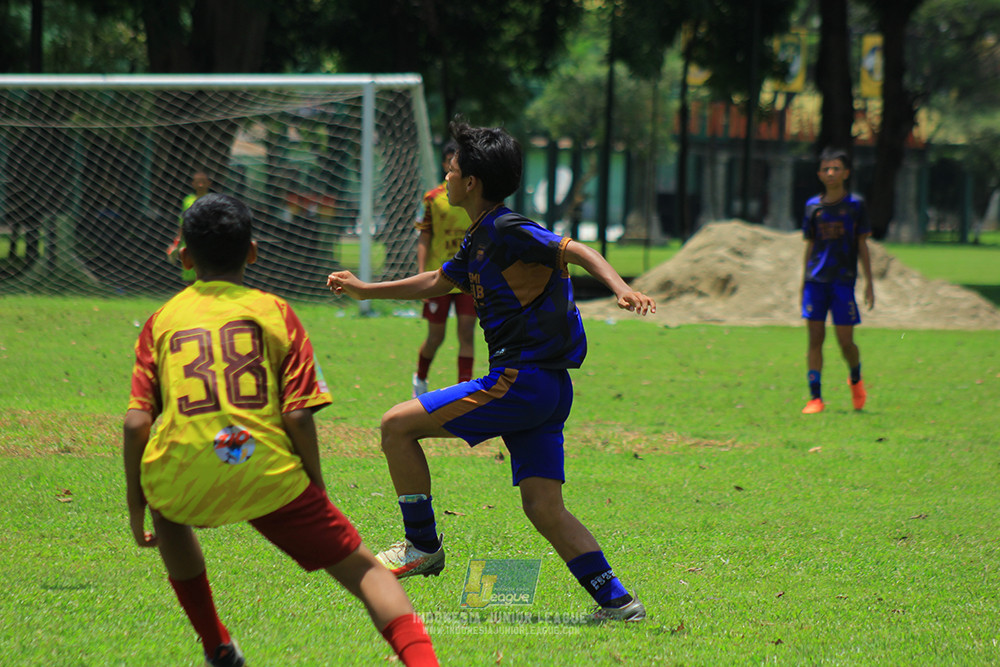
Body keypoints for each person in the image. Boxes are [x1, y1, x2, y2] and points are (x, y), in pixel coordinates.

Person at [327, 120, 656, 622]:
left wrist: (619, 286)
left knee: (396, 425)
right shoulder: (480, 236)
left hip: (520, 381)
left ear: (472, 182)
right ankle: (618, 602)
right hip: (546, 388)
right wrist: (365, 289)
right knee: (544, 507)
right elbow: (439, 280)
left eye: (453, 169)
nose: (447, 175)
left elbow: (575, 249)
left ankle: (421, 545)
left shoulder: (506, 228)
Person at [125, 194, 438, 667]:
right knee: (369, 574)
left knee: (170, 512)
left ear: (185, 257)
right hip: (266, 471)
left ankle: (217, 646)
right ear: (252, 252)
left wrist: (136, 508)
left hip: (182, 469)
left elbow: (136, 423)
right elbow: (297, 415)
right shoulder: (275, 312)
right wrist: (315, 487)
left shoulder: (161, 321)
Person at [800, 147, 875, 414]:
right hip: (815, 282)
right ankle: (815, 398)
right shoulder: (812, 207)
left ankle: (855, 379)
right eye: (825, 169)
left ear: (846, 173)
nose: (830, 173)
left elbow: (863, 245)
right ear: (819, 174)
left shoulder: (855, 206)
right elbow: (809, 247)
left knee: (846, 343)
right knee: (815, 339)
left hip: (843, 283)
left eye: (836, 168)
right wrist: (802, 283)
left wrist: (869, 283)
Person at [412, 141, 477, 398]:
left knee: (466, 333)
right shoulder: (432, 199)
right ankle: (420, 379)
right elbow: (424, 237)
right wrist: (420, 274)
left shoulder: (474, 199)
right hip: (439, 277)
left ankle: (464, 391)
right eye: (450, 161)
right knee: (435, 337)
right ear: (444, 165)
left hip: (468, 279)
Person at [166, 169, 212, 283]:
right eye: (197, 181)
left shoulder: (213, 200)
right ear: (193, 183)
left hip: (208, 242)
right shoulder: (187, 201)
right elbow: (183, 223)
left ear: (209, 183)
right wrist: (176, 243)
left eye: (203, 181)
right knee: (190, 278)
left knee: (207, 277)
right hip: (190, 242)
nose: (200, 184)